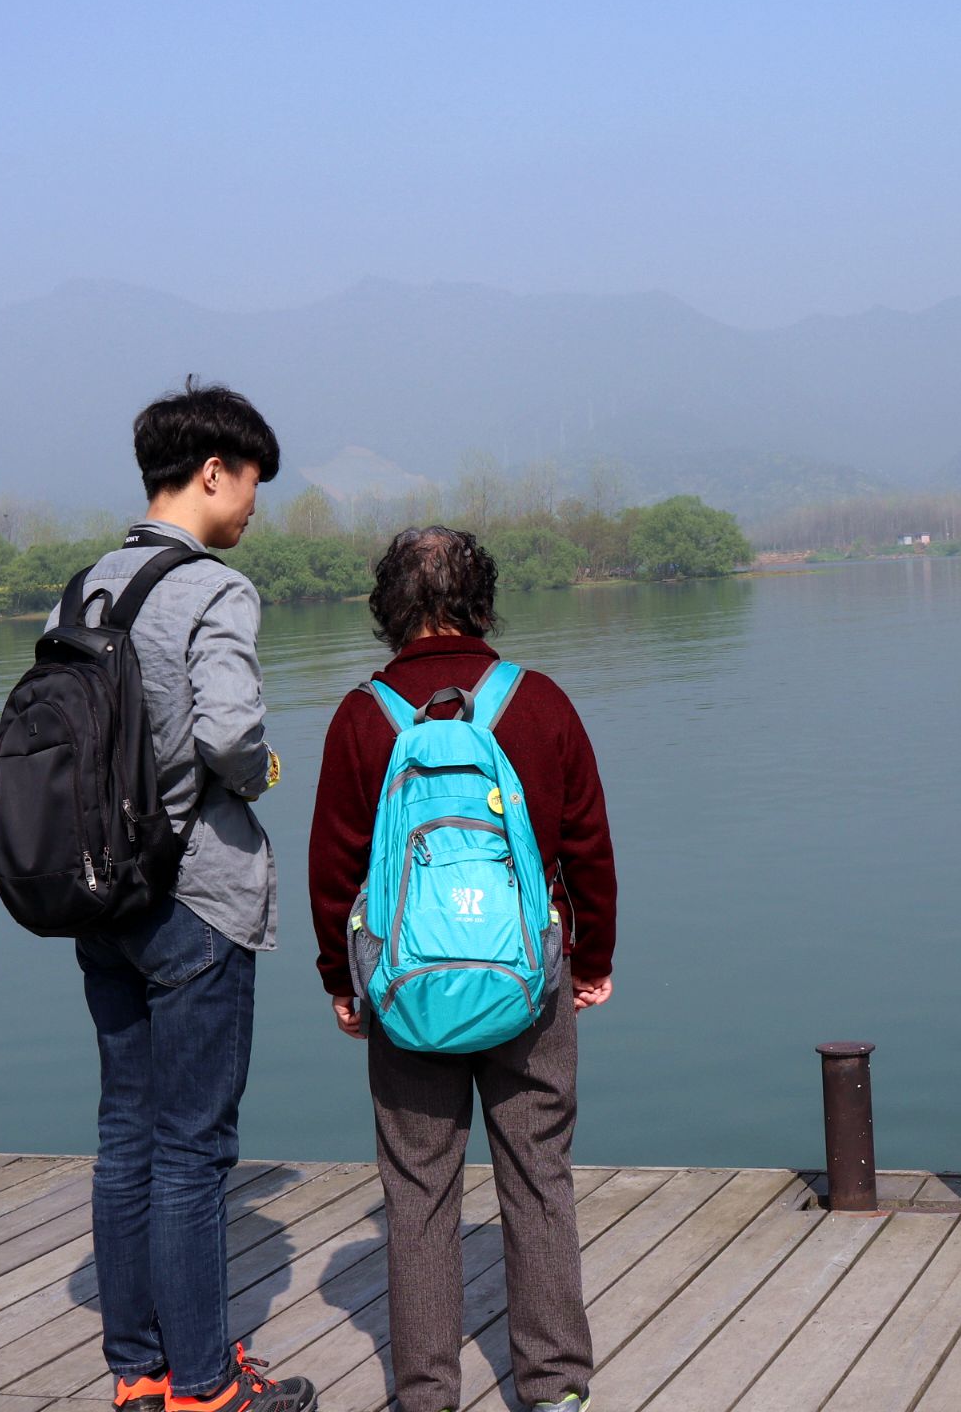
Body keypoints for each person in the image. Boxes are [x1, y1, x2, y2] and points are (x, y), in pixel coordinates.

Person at [309, 526, 617, 1412]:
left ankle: (426, 1395)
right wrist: (591, 959)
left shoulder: (362, 716)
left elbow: (334, 869)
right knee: (538, 1177)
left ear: (389, 607)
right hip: (529, 983)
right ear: (482, 600)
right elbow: (589, 849)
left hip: (406, 993)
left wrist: (343, 981)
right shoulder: (540, 702)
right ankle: (555, 1388)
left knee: (417, 1194)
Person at [63, 380, 316, 1412]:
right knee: (194, 1148)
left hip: (99, 901)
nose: (254, 505)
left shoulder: (83, 588)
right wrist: (260, 776)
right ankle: (207, 1387)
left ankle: (141, 1372)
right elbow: (228, 733)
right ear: (214, 472)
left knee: (125, 1131)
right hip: (195, 901)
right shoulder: (216, 589)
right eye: (253, 482)